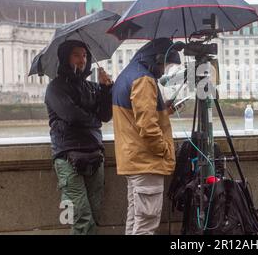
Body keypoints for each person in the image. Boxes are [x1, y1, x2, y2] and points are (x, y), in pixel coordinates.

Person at [112, 37, 181, 235]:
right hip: (146, 162)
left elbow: (135, 118)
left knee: (135, 220)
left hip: (133, 160)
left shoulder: (128, 74)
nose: (166, 70)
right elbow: (148, 127)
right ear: (157, 58)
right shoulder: (144, 80)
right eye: (167, 65)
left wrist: (164, 110)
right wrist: (164, 149)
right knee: (146, 225)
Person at [45, 40, 113, 235]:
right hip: (68, 157)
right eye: (76, 55)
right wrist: (94, 119)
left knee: (94, 213)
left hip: (94, 154)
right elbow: (71, 115)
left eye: (84, 55)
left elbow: (106, 115)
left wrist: (106, 89)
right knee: (81, 217)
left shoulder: (92, 86)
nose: (82, 59)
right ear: (65, 58)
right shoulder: (55, 88)